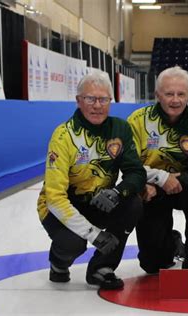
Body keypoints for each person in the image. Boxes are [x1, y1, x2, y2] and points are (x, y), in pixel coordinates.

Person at [37, 72, 146, 290]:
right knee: (74, 243)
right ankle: (58, 263)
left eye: (103, 99)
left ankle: (101, 268)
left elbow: (136, 173)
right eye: (90, 99)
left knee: (132, 202)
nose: (97, 105)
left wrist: (117, 192)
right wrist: (94, 235)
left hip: (100, 201)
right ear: (78, 101)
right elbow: (54, 197)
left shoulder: (120, 129)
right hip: (60, 207)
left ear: (110, 101)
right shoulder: (63, 136)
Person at [127, 66, 188, 273]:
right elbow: (129, 165)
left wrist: (172, 182)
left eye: (181, 94)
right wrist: (159, 180)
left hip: (183, 187)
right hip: (152, 190)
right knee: (152, 265)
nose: (175, 100)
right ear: (157, 95)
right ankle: (172, 242)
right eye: (169, 94)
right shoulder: (138, 120)